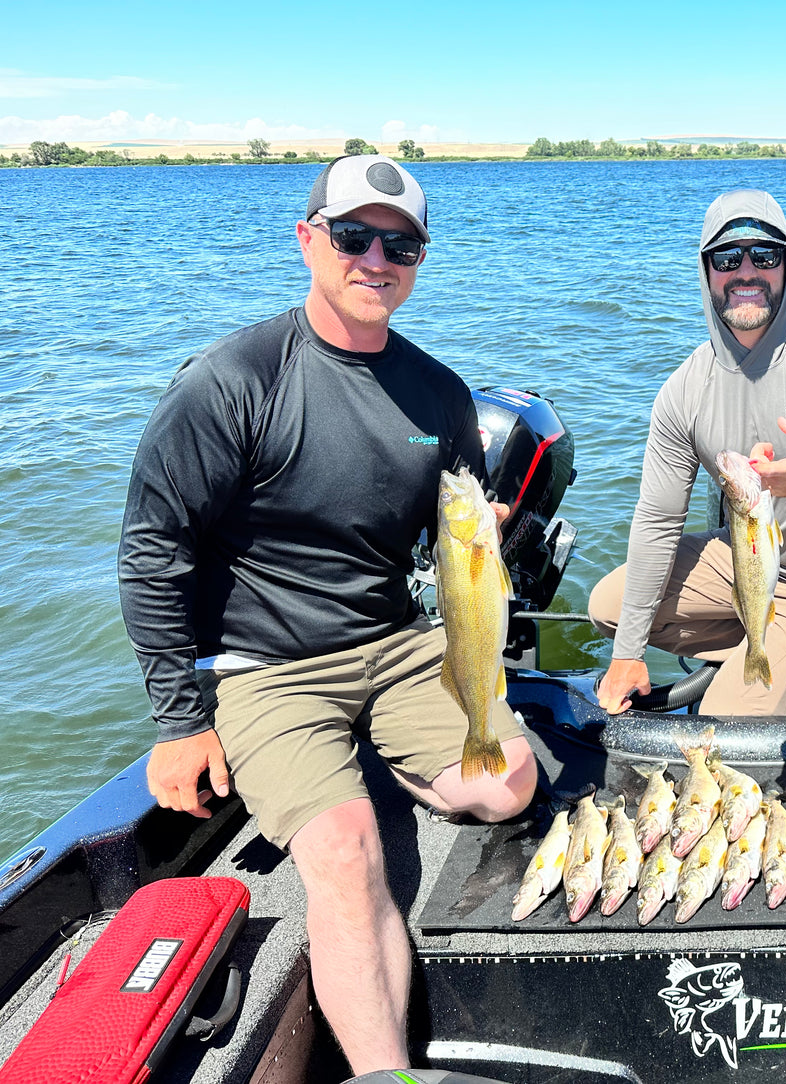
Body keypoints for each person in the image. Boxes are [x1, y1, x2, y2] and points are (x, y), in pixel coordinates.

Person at [117, 154, 537, 1075]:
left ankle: (383, 761)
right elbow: (152, 552)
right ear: (310, 240)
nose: (376, 258)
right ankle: (388, 1071)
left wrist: (481, 548)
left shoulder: (440, 395)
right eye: (353, 237)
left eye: (402, 243)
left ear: (419, 259)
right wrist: (181, 723)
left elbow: (443, 532)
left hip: (392, 644)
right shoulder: (230, 382)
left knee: (505, 785)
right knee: (346, 854)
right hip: (265, 666)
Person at [590, 189, 786, 716]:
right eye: (728, 258)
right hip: (746, 563)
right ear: (707, 271)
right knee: (611, 608)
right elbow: (658, 520)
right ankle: (767, 649)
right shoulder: (684, 389)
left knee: (723, 721)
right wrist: (627, 655)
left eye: (766, 255)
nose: (747, 271)